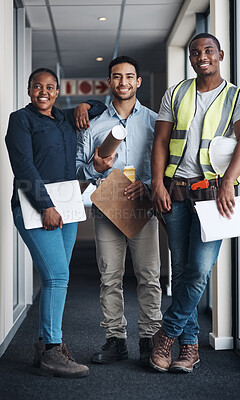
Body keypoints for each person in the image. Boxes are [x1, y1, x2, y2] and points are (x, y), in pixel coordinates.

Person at [150, 33, 240, 373]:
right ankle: (190, 347)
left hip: (215, 196)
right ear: (191, 59)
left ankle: (166, 334)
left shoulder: (237, 96)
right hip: (177, 192)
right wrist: (157, 184)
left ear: (220, 54)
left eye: (208, 51)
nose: (201, 56)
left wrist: (227, 182)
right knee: (180, 272)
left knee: (198, 269)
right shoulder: (176, 93)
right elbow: (161, 140)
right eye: (196, 52)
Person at [5, 68, 106, 378]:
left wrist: (84, 106)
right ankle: (53, 350)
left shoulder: (62, 118)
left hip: (68, 206)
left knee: (57, 278)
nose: (43, 92)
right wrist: (45, 206)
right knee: (57, 276)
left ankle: (43, 346)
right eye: (38, 86)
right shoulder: (20, 120)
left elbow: (101, 105)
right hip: (36, 206)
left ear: (58, 91)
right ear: (28, 89)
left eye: (50, 87)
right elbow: (23, 166)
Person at [76, 56, 162, 365]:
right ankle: (116, 340)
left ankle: (150, 340)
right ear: (109, 82)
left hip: (142, 206)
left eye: (129, 76)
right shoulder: (94, 124)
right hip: (108, 206)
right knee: (109, 276)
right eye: (116, 76)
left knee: (149, 275)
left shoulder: (154, 121)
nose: (123, 81)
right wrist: (95, 167)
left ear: (138, 81)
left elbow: (165, 164)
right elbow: (79, 168)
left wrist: (149, 183)